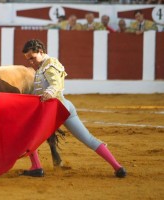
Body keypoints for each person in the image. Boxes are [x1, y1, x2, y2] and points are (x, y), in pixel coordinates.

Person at [20, 39, 127, 178]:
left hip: (54, 108)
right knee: (88, 139)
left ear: (41, 52)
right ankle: (118, 167)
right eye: (29, 60)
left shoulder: (49, 65)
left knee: (27, 133)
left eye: (33, 58)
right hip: (66, 106)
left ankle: (36, 167)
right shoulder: (43, 66)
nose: (31, 62)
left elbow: (56, 83)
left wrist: (50, 92)